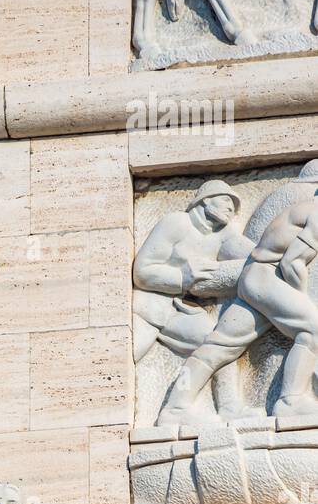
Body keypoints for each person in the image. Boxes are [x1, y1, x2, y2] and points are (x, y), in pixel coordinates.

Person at [161, 181, 318, 421]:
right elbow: (292, 263)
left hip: (255, 277)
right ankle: (291, 401)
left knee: (220, 345)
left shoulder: (305, 209)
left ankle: (175, 408)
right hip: (268, 277)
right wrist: (301, 304)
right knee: (313, 328)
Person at [133, 180, 253, 417]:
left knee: (221, 343)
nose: (232, 208)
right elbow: (141, 272)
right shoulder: (176, 223)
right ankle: (177, 409)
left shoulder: (222, 234)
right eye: (226, 200)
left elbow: (256, 255)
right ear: (206, 199)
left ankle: (228, 408)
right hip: (153, 306)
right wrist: (181, 277)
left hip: (183, 307)